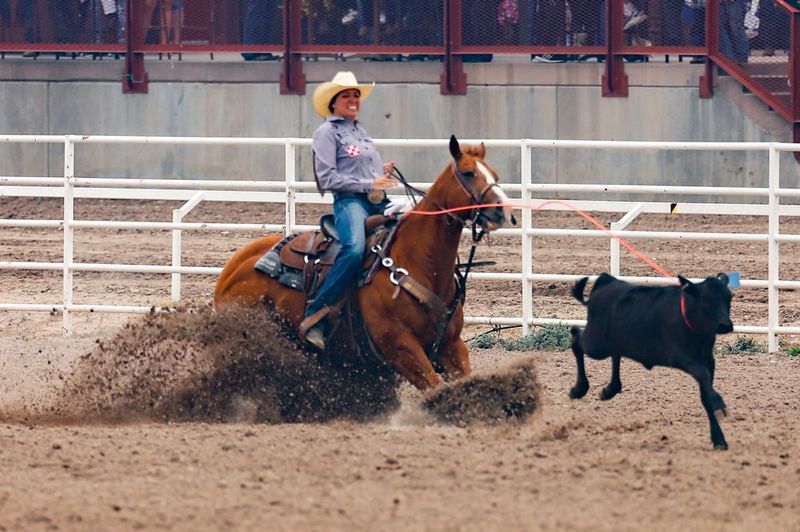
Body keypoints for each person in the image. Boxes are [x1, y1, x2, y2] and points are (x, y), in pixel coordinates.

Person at [299, 71, 398, 350]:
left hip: (375, 200)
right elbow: (328, 178)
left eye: (356, 95)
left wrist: (382, 172)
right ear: (333, 102)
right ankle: (315, 314)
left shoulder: (360, 131)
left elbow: (362, 170)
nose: (353, 99)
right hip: (349, 203)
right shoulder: (326, 133)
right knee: (354, 249)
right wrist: (370, 182)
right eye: (346, 95)